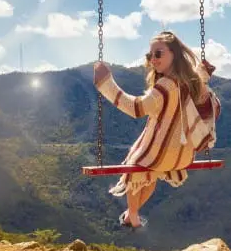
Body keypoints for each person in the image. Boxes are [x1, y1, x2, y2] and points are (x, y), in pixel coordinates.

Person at [92, 30, 220, 229]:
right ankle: (131, 215)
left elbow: (135, 108)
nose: (153, 59)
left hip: (161, 154)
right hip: (184, 155)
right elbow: (201, 81)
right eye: (150, 55)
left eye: (158, 53)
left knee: (136, 166)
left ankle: (132, 214)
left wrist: (106, 84)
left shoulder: (165, 86)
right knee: (150, 174)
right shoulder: (191, 81)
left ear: (174, 55)